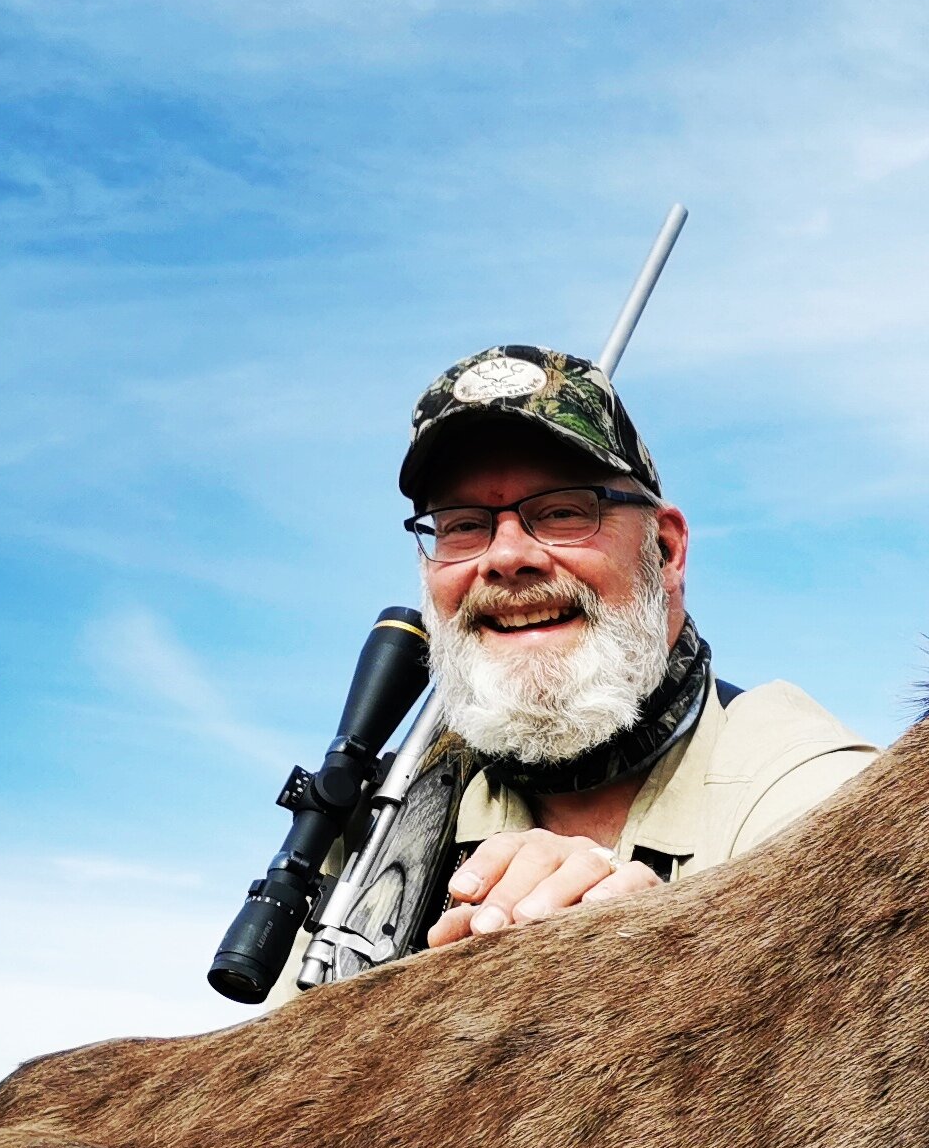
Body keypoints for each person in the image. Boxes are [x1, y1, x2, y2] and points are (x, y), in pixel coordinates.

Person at [299, 345, 875, 985]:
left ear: (667, 549)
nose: (507, 557)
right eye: (463, 525)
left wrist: (661, 958)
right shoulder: (383, 821)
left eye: (563, 512)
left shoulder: (817, 796)